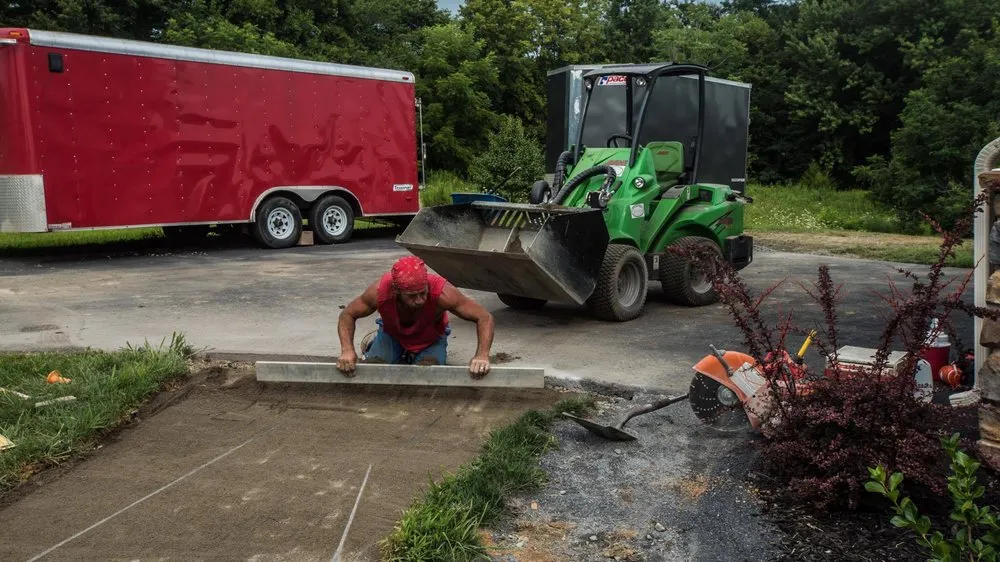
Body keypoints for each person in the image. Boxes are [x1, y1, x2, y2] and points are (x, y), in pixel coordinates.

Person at [336, 255, 495, 378]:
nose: (419, 300)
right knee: (376, 368)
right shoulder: (379, 292)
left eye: (423, 293)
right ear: (397, 291)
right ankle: (376, 345)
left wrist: (482, 355)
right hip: (393, 334)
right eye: (412, 296)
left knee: (429, 374)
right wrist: (347, 350)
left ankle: (414, 354)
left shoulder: (444, 293)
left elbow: (484, 317)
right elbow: (347, 315)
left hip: (430, 337)